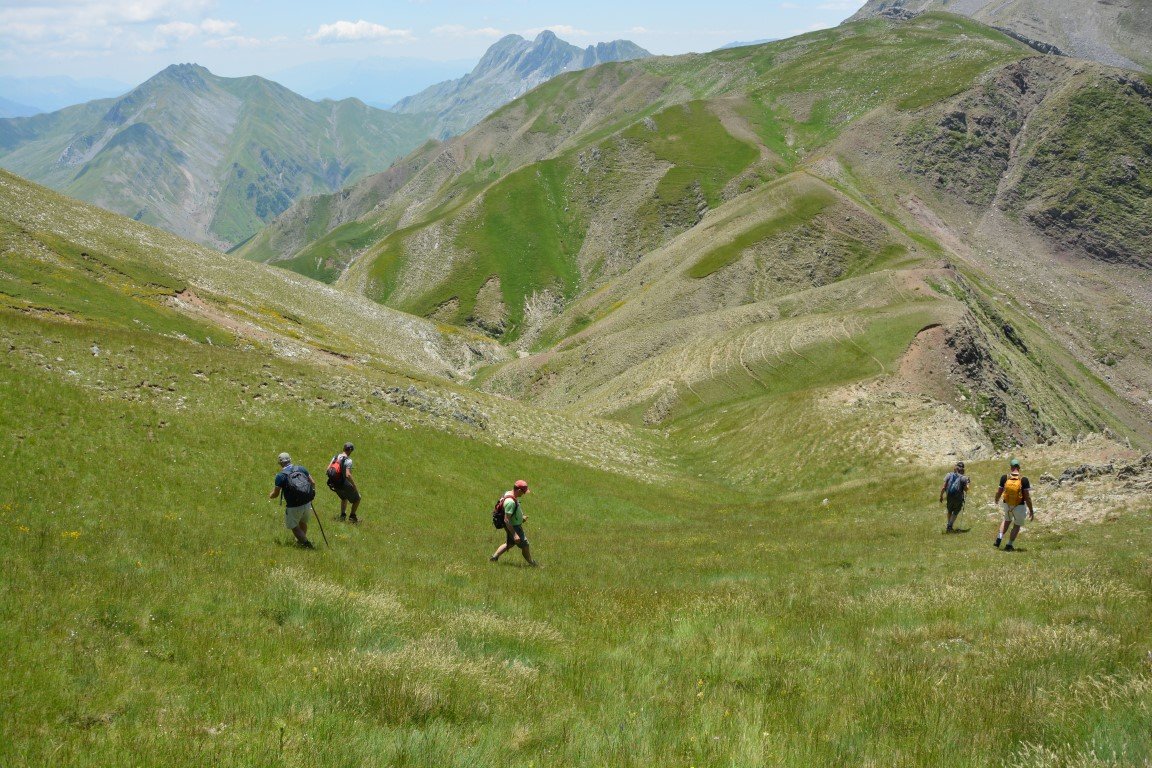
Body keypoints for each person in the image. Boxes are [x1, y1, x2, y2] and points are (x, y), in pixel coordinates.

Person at [269, 452, 316, 548]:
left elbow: (276, 494)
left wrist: (270, 495)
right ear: (290, 460)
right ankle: (301, 540)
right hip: (307, 502)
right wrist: (311, 494)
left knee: (293, 526)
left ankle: (307, 544)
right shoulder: (301, 469)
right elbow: (313, 482)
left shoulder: (280, 476)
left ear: (280, 463)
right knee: (303, 522)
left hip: (293, 505)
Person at [489, 479, 537, 566]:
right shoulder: (510, 502)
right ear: (519, 490)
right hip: (514, 527)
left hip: (514, 525)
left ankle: (494, 557)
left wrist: (521, 517)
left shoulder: (508, 493)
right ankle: (532, 563)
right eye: (523, 492)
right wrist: (515, 534)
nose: (524, 494)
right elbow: (506, 520)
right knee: (525, 545)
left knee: (510, 544)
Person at [994, 458, 1035, 551]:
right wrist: (1031, 510)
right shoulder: (1024, 479)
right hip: (1019, 505)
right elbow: (1027, 497)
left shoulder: (1004, 477)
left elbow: (999, 491)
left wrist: (996, 499)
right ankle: (1009, 545)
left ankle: (999, 539)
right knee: (1017, 525)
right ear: (1019, 467)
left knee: (1006, 520)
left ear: (1011, 467)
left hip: (1007, 504)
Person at [327, 442, 361, 523]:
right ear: (350, 450)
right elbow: (348, 475)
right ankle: (352, 517)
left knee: (344, 498)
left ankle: (342, 516)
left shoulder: (335, 457)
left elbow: (328, 470)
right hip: (342, 483)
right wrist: (354, 485)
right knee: (358, 498)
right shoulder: (348, 460)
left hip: (334, 484)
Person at [938, 460, 971, 533]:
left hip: (949, 496)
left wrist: (941, 496)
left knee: (949, 510)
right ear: (963, 469)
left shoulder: (949, 475)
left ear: (956, 468)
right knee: (956, 511)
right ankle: (949, 526)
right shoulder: (964, 478)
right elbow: (966, 489)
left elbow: (943, 487)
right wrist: (968, 483)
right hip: (958, 497)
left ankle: (949, 526)